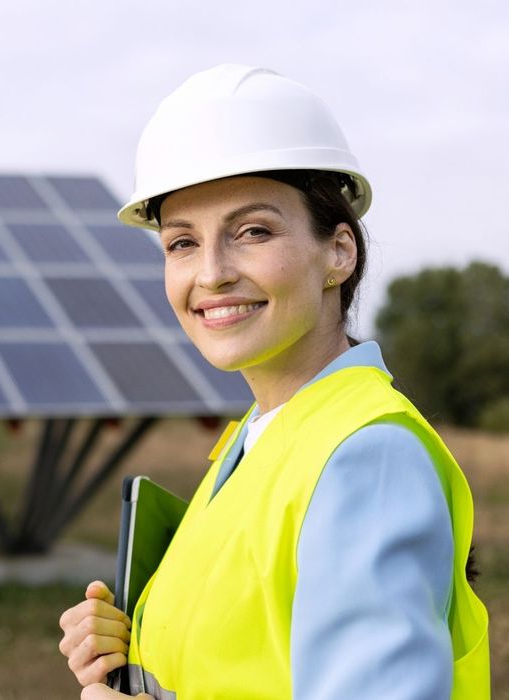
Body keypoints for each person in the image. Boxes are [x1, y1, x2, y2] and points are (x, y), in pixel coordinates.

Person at [58, 64, 490, 699]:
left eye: (252, 231)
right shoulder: (257, 442)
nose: (210, 274)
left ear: (338, 252)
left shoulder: (364, 455)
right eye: (181, 243)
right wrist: (133, 650)